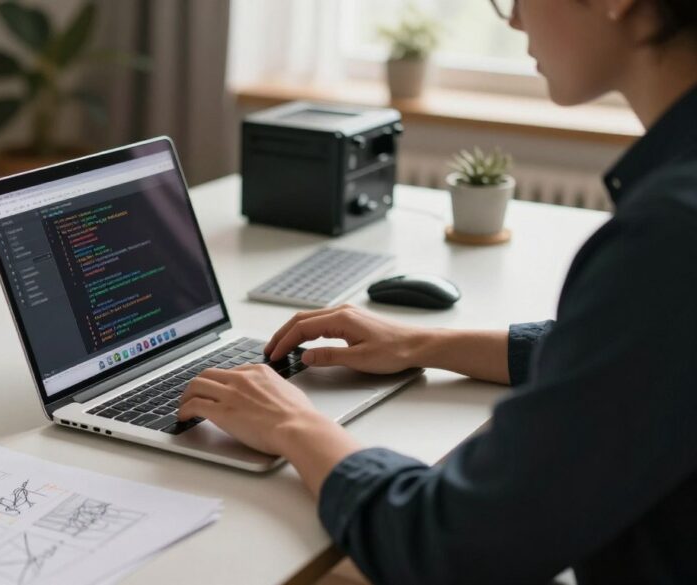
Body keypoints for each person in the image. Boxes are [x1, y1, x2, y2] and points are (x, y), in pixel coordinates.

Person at [177, 0, 697, 583]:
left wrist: (292, 424)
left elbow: (448, 542)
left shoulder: (671, 236)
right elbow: (636, 353)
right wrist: (422, 344)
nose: (513, 20)